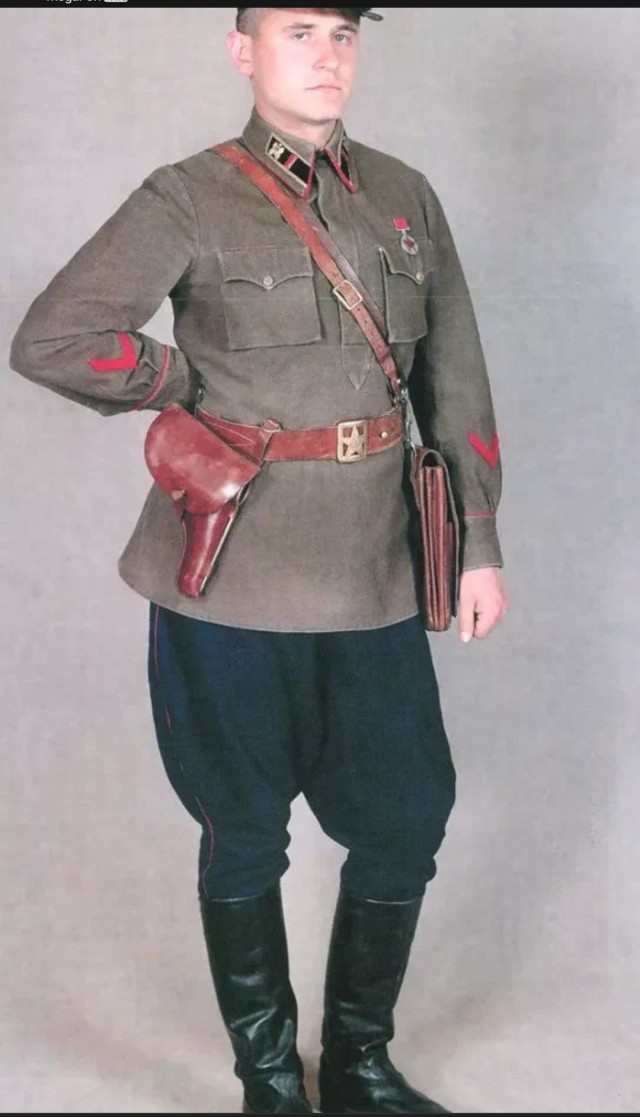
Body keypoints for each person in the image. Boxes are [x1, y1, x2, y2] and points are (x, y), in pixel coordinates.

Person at [9, 6, 509, 1114]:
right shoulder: (189, 195)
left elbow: (457, 378)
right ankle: (272, 1082)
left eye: (342, 34)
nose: (326, 56)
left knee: (405, 818)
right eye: (297, 32)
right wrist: (180, 383)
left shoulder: (405, 196)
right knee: (242, 834)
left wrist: (476, 543)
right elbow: (51, 337)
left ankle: (360, 1067)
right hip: (233, 579)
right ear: (243, 52)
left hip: (376, 573)